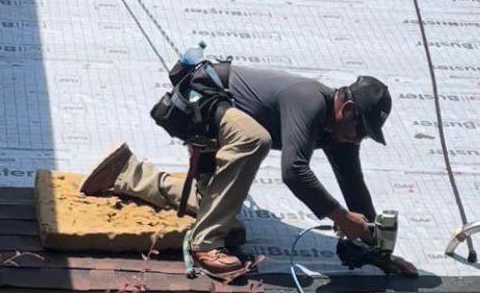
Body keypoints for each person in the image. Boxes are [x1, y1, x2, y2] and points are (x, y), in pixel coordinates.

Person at [79, 66, 418, 278]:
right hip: (201, 98)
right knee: (255, 139)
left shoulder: (339, 134)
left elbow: (354, 188)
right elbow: (294, 172)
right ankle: (205, 245)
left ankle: (125, 172)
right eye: (360, 130)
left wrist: (379, 251)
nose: (358, 139)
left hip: (219, 122)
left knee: (219, 209)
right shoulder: (310, 100)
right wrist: (342, 219)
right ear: (347, 109)